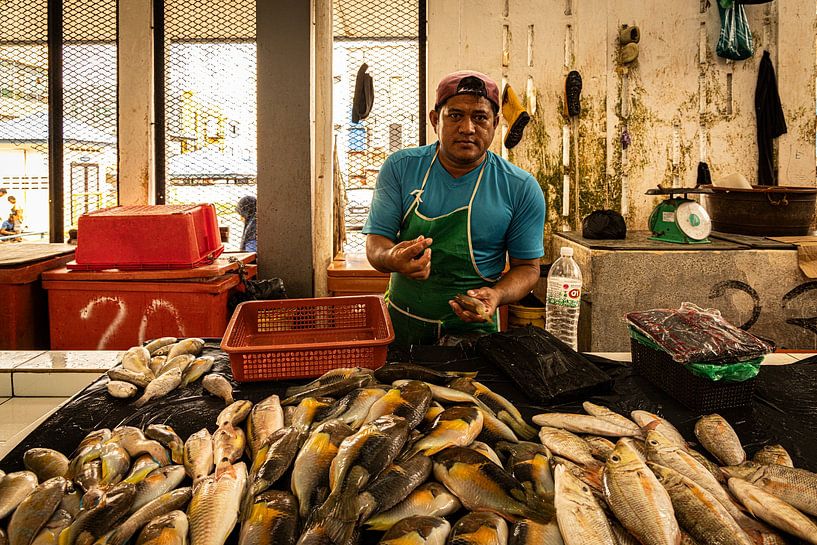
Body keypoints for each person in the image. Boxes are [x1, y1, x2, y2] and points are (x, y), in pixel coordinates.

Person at [364, 70, 546, 347]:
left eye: (480, 117)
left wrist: (496, 295)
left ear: (496, 123)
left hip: (473, 336)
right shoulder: (401, 168)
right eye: (455, 115)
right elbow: (376, 243)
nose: (468, 128)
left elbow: (528, 268)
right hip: (402, 327)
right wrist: (391, 258)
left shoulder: (520, 187)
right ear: (436, 120)